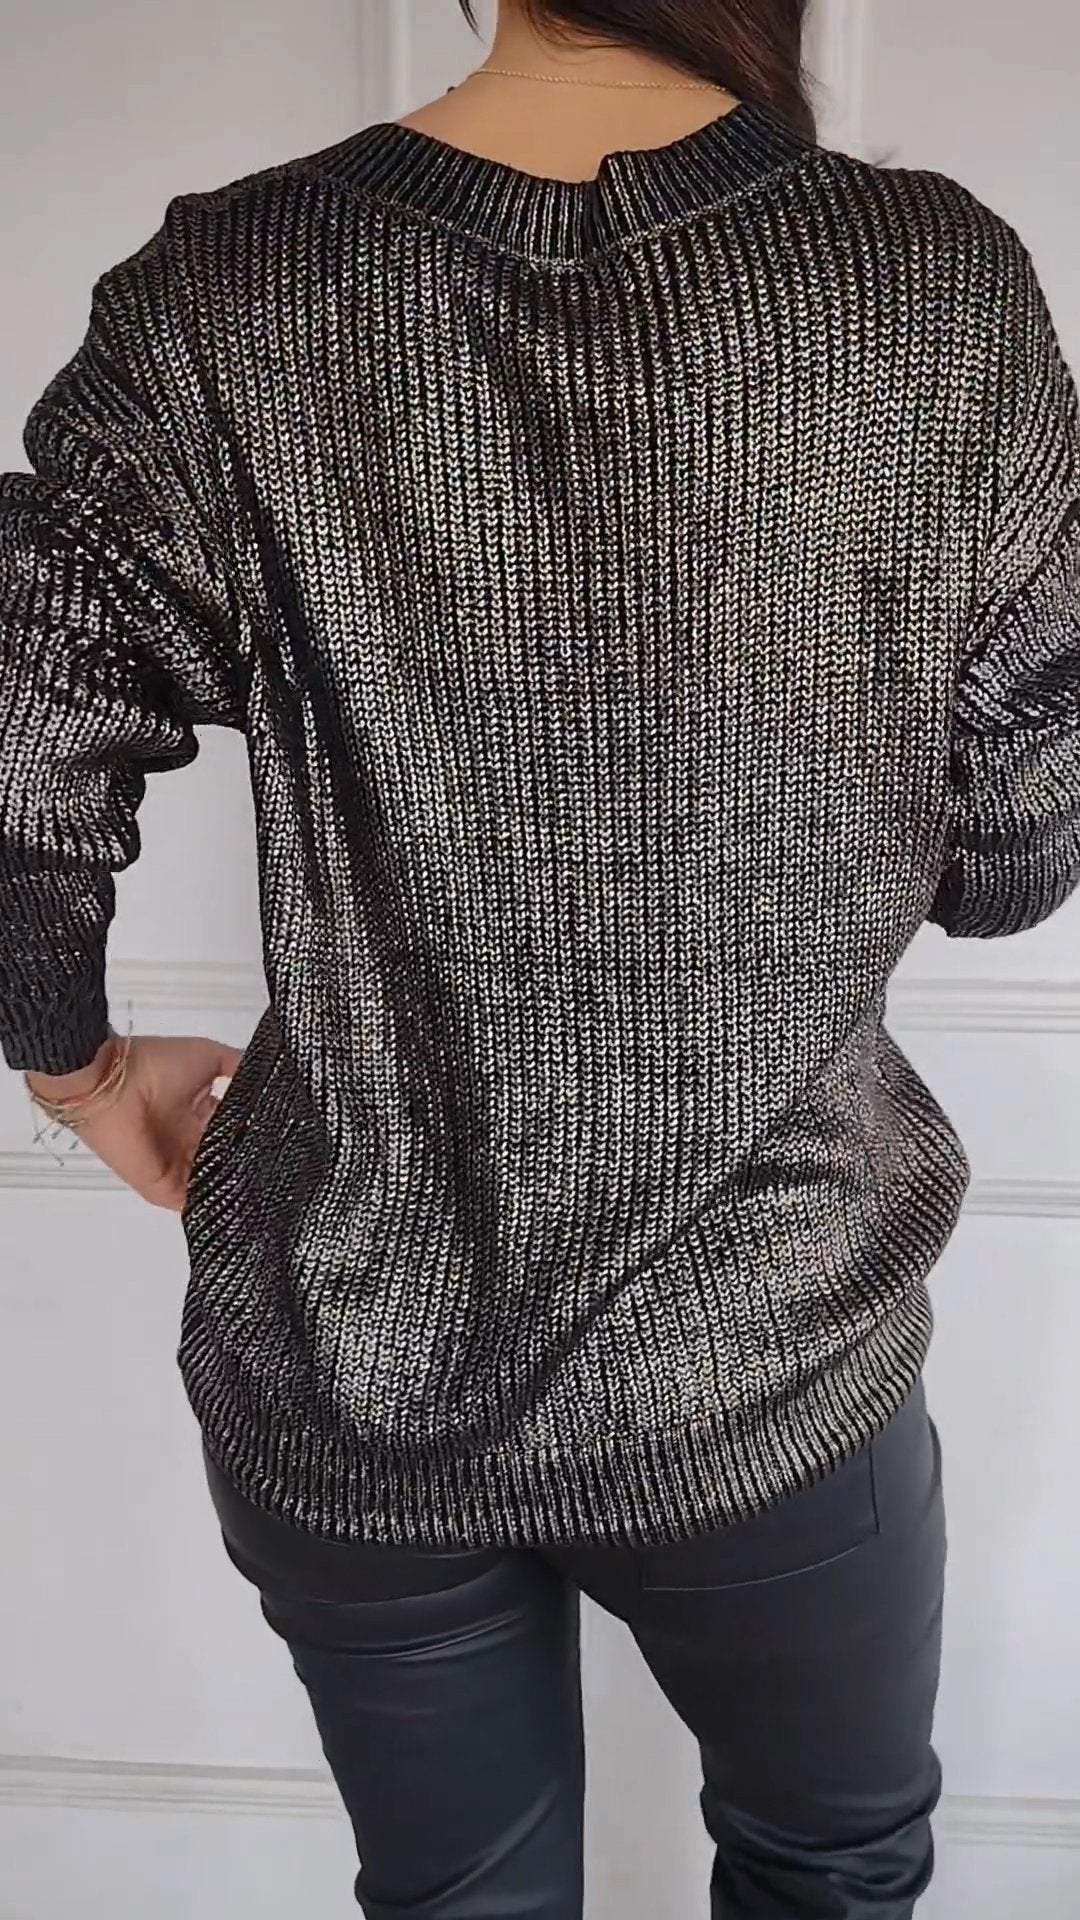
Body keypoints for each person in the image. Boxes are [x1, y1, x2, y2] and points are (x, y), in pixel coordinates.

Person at [2, 0, 1078, 1913]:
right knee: (831, 1872)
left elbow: (17, 746)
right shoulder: (934, 289)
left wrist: (77, 1069)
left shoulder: (232, 294)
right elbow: (1014, 850)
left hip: (354, 1355)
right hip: (775, 1352)